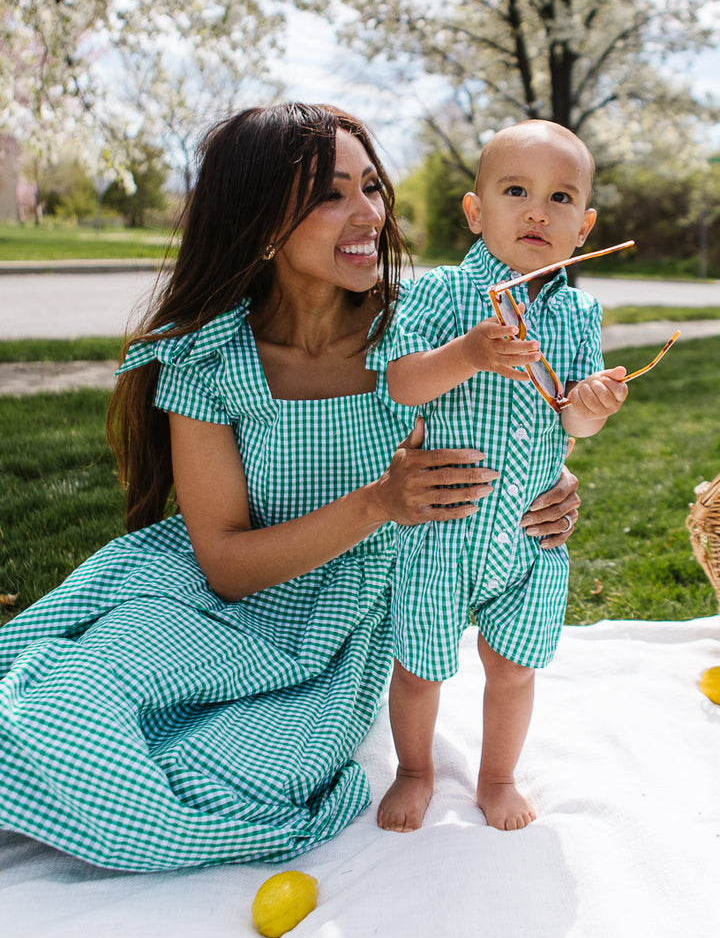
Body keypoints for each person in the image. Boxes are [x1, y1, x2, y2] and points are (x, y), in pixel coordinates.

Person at [0, 105, 580, 871]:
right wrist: (381, 500)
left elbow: (518, 419)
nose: (368, 212)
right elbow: (226, 567)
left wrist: (556, 479)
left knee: (235, 780)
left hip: (341, 618)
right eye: (329, 194)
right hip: (213, 594)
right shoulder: (209, 360)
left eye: (371, 186)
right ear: (260, 219)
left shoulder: (426, 332)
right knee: (61, 706)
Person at [367, 120, 628, 835]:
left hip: (526, 534)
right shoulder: (441, 297)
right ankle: (415, 770)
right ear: (476, 211)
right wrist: (470, 354)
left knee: (512, 667)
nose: (538, 211)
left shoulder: (577, 314)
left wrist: (591, 407)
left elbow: (571, 419)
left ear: (586, 226)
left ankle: (497, 776)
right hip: (443, 531)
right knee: (421, 666)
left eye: (561, 198)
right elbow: (401, 383)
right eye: (517, 191)